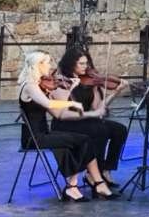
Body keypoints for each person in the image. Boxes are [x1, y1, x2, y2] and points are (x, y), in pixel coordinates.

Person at [16, 51, 109, 202]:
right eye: (47, 63)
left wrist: (70, 88)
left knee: (84, 139)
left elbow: (59, 109)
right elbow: (48, 104)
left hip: (44, 133)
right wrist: (72, 103)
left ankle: (73, 186)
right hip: (34, 138)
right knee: (83, 140)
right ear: (38, 65)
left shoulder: (38, 85)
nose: (50, 66)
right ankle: (73, 186)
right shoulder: (29, 86)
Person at [54, 47, 129, 190]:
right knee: (99, 130)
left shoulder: (90, 82)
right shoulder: (61, 81)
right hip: (66, 122)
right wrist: (72, 86)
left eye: (86, 63)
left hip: (86, 119)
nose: (86, 67)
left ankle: (106, 169)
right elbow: (62, 110)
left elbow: (97, 109)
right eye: (81, 64)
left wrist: (115, 93)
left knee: (120, 130)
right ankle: (94, 175)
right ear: (71, 64)